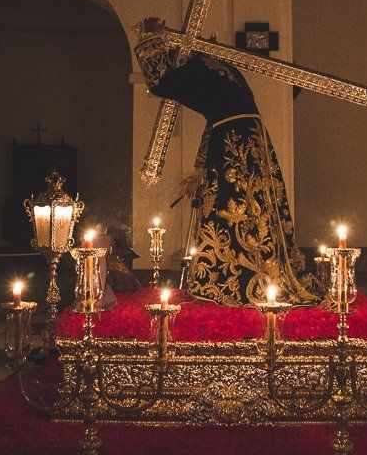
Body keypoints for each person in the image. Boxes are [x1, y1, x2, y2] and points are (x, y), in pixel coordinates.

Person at [134, 18, 320, 307]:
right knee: (254, 208)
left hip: (234, 141)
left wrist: (149, 40)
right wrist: (199, 169)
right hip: (248, 136)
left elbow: (159, 80)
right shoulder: (221, 70)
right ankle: (261, 271)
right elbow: (214, 123)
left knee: (229, 206)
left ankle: (233, 280)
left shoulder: (196, 69)